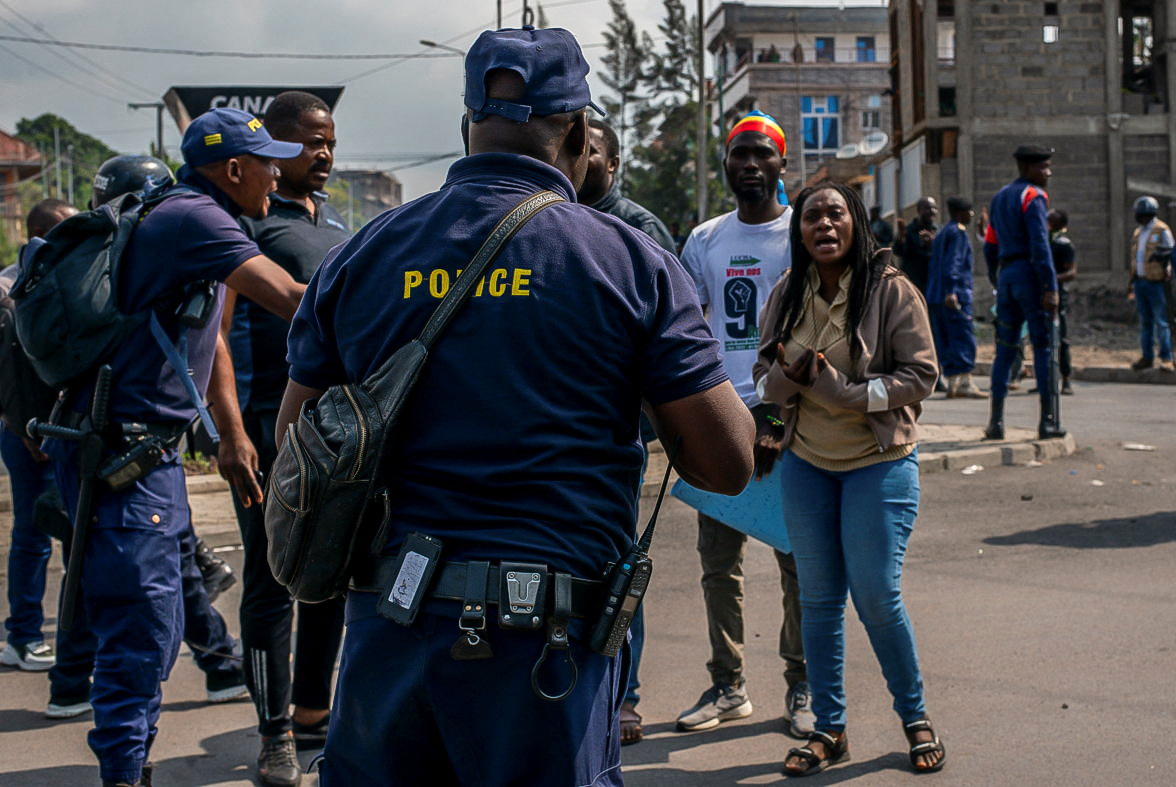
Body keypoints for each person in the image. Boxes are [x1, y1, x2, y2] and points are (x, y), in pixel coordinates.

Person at [279, 26, 754, 786]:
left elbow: (298, 442)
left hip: (388, 638)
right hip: (543, 657)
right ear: (575, 132)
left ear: (467, 125)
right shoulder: (631, 263)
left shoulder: (361, 255)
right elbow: (725, 464)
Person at [42, 108, 308, 787]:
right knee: (140, 628)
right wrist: (410, 295)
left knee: (160, 608)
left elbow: (210, 330)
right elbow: (291, 300)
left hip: (138, 454)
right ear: (235, 169)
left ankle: (129, 757)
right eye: (268, 164)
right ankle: (125, 772)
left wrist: (230, 433)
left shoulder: (186, 217)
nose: (277, 178)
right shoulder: (197, 219)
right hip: (129, 458)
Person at [44, 155, 250, 724]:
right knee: (136, 606)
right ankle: (124, 746)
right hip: (126, 456)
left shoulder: (95, 269)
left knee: (120, 571)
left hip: (88, 445)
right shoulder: (144, 261)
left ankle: (214, 665)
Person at [754, 181, 945, 776]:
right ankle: (829, 730)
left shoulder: (892, 291)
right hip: (808, 464)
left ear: (856, 223)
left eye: (836, 214)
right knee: (817, 602)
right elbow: (763, 378)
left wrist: (851, 394)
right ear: (800, 231)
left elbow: (922, 375)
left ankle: (915, 719)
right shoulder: (787, 293)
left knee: (877, 598)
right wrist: (785, 380)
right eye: (812, 217)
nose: (824, 225)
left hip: (878, 464)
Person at [208, 91, 350, 787]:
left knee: (330, 576)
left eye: (329, 141)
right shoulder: (246, 230)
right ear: (273, 147)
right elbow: (217, 341)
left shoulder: (342, 230)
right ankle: (274, 737)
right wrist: (232, 433)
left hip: (339, 439)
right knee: (271, 585)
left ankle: (315, 714)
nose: (322, 153)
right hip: (270, 431)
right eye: (307, 142)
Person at [676, 110, 813, 740]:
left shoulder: (803, 235)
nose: (750, 165)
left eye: (762, 153)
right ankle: (728, 686)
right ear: (725, 164)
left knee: (797, 559)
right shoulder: (705, 240)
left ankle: (803, 684)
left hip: (794, 417)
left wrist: (780, 412)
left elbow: (824, 328)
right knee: (717, 561)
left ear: (783, 162)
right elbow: (686, 331)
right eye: (739, 155)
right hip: (723, 415)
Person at [576, 116, 676, 746]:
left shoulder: (637, 231)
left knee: (616, 565)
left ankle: (624, 697)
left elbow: (672, 343)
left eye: (587, 148)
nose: (575, 155)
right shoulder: (545, 217)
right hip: (563, 431)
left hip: (616, 432)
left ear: (611, 163)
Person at [0, 199, 76, 673]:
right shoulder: (9, 288)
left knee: (74, 532)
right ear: (42, 235)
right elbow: (7, 371)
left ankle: (72, 633)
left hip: (63, 429)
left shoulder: (66, 278)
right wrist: (28, 425)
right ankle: (23, 636)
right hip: (28, 433)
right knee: (33, 533)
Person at [982, 145, 1065, 440]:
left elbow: (989, 245)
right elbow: (1040, 244)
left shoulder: (999, 198)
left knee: (1004, 351)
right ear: (1028, 169)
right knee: (1042, 347)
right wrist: (1050, 287)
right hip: (1030, 275)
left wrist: (997, 279)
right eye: (1044, 167)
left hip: (1007, 278)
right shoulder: (1034, 196)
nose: (1049, 173)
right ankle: (1048, 422)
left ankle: (996, 423)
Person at [927, 197, 985, 398]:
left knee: (945, 338)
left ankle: (952, 381)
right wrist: (952, 290)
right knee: (963, 336)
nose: (972, 215)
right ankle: (965, 383)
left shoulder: (942, 232)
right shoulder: (958, 233)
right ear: (961, 213)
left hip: (935, 295)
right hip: (955, 295)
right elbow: (954, 263)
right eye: (970, 211)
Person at [1126, 195, 1173, 372]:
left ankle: (1167, 358)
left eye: (1147, 214)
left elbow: (1170, 252)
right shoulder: (1138, 232)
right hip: (1140, 282)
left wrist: (1167, 267)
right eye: (1141, 214)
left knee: (1161, 322)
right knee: (1145, 323)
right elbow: (1135, 259)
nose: (1143, 218)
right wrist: (1131, 283)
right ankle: (1147, 357)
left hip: (1157, 283)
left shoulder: (1161, 230)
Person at [1047, 209, 1076, 393]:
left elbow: (1071, 273)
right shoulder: (1043, 241)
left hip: (1058, 295)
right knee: (1042, 339)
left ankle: (1066, 379)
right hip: (1041, 294)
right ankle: (1045, 381)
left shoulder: (1063, 244)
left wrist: (1052, 280)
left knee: (1062, 339)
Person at [893, 196, 938, 295]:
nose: (932, 211)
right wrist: (901, 238)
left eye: (934, 208)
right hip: (913, 283)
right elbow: (898, 251)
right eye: (927, 208)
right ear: (918, 210)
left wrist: (932, 244)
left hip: (932, 284)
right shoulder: (909, 230)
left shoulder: (938, 231)